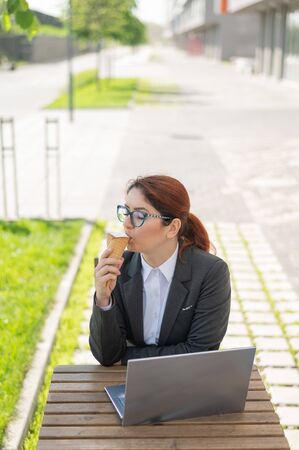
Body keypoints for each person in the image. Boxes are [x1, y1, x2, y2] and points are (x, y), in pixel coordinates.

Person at [89, 175, 231, 366]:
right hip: (129, 384)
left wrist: (127, 357)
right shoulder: (116, 267)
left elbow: (200, 354)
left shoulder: (210, 272)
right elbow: (107, 356)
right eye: (126, 211)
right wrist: (103, 299)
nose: (127, 224)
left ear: (172, 228)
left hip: (186, 382)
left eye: (140, 215)